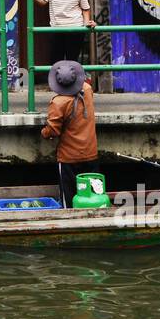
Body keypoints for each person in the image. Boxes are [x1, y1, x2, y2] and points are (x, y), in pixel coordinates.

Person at [41, 60, 99, 209]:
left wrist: (44, 132)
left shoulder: (58, 102)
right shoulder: (87, 89)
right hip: (90, 152)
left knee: (69, 200)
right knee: (92, 198)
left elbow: (52, 130)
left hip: (69, 158)